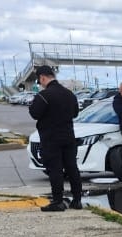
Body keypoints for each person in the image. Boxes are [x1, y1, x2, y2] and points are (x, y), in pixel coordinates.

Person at [28, 66, 83, 212]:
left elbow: (34, 113)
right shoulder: (69, 94)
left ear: (43, 78)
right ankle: (77, 200)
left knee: (55, 170)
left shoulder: (44, 95)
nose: (40, 83)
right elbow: (75, 113)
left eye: (40, 81)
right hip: (68, 136)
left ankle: (58, 201)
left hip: (51, 138)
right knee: (72, 168)